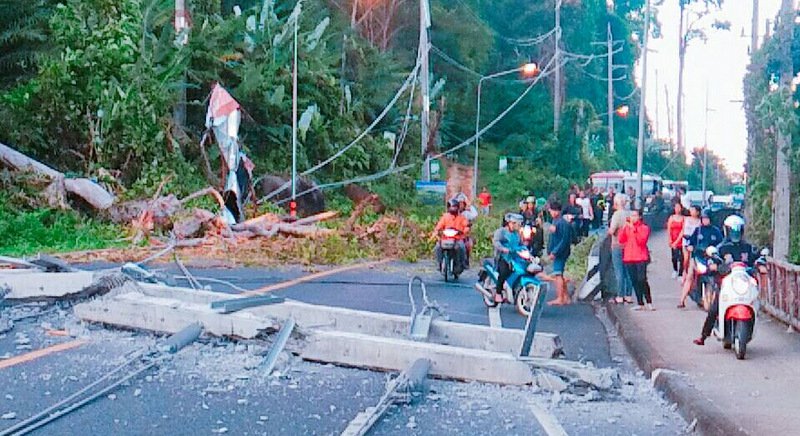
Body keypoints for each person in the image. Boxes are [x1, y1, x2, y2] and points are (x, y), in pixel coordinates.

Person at [693, 215, 755, 345]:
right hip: (725, 284)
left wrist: (760, 264)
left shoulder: (747, 248)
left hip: (743, 283)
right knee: (714, 309)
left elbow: (754, 260)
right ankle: (704, 335)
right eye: (732, 230)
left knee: (754, 301)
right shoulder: (720, 248)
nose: (735, 233)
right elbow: (712, 261)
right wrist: (714, 266)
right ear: (726, 231)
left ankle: (750, 329)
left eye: (737, 230)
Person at [679, 207, 724, 308]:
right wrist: (690, 246)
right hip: (698, 258)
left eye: (707, 218)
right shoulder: (698, 230)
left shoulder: (716, 231)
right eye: (703, 219)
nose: (705, 220)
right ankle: (682, 300)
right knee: (690, 276)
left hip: (711, 259)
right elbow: (690, 241)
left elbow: (721, 244)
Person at [618, 208, 653, 310]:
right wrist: (624, 228)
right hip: (629, 257)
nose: (632, 218)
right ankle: (640, 302)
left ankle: (649, 300)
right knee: (634, 280)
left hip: (641, 257)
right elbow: (621, 239)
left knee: (642, 279)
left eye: (635, 216)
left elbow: (641, 241)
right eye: (631, 216)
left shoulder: (644, 228)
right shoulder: (627, 227)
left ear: (639, 217)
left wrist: (633, 228)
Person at [492, 213, 523, 302]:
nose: (519, 226)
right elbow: (496, 242)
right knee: (504, 272)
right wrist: (503, 249)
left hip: (514, 258)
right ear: (511, 223)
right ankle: (498, 293)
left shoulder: (517, 234)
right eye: (517, 224)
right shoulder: (501, 232)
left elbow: (521, 244)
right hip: (503, 257)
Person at [608, 195, 633, 303]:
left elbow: (612, 230)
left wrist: (609, 231)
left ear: (616, 203)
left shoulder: (616, 215)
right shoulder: (630, 214)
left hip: (617, 245)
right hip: (628, 246)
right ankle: (628, 295)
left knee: (619, 271)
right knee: (628, 272)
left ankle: (620, 295)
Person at [547, 200, 572, 306]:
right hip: (559, 251)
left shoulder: (561, 223)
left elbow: (563, 240)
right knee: (559, 274)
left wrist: (555, 252)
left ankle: (560, 298)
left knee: (558, 274)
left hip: (560, 252)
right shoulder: (556, 221)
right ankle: (566, 297)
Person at [433, 199, 469, 270]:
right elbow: (439, 225)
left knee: (461, 247)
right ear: (448, 207)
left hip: (458, 238)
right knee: (437, 247)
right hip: (446, 238)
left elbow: (466, 225)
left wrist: (464, 231)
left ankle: (462, 263)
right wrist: (437, 230)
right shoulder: (445, 217)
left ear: (458, 207)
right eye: (452, 207)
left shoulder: (461, 217)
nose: (453, 208)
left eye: (455, 207)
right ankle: (439, 263)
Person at [681, 205, 702, 279]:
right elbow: (682, 230)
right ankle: (684, 271)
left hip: (694, 241)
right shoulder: (686, 219)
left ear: (697, 212)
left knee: (694, 259)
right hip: (686, 240)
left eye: (693, 210)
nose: (691, 211)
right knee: (686, 258)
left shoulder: (700, 221)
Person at [666, 201, 686, 279]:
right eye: (676, 207)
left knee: (682, 257)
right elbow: (669, 229)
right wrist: (670, 239)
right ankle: (675, 269)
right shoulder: (671, 217)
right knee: (674, 256)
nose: (677, 209)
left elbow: (683, 230)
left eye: (679, 207)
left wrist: (677, 241)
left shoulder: (684, 218)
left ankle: (681, 273)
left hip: (681, 239)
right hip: (673, 238)